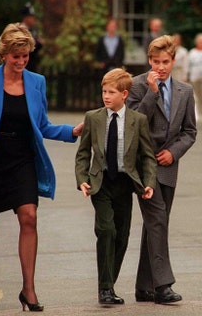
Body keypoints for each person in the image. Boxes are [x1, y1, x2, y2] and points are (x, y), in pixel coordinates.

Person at [0, 23, 84, 313]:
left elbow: (42, 126)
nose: (21, 61)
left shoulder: (37, 82)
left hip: (22, 159)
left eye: (25, 56)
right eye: (16, 56)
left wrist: (71, 132)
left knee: (29, 216)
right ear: (4, 54)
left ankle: (28, 288)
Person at [75, 68, 157, 305]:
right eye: (104, 91)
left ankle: (109, 284)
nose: (106, 96)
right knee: (106, 231)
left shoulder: (137, 121)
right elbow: (83, 154)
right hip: (100, 183)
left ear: (124, 94)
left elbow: (147, 156)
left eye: (111, 92)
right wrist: (82, 177)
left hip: (125, 184)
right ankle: (105, 289)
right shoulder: (93, 117)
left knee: (122, 237)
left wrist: (148, 182)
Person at [125, 35, 197, 304]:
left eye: (165, 62)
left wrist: (174, 152)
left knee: (155, 223)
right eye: (155, 62)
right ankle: (162, 286)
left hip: (168, 164)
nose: (160, 67)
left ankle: (144, 286)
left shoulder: (185, 91)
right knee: (157, 220)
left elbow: (190, 131)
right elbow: (133, 123)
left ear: (173, 61)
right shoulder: (136, 85)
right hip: (143, 164)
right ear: (149, 60)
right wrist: (152, 93)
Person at [20, 2, 43, 72]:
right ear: (25, 18)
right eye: (31, 17)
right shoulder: (20, 30)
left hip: (32, 64)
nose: (33, 19)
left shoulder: (32, 30)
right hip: (23, 66)